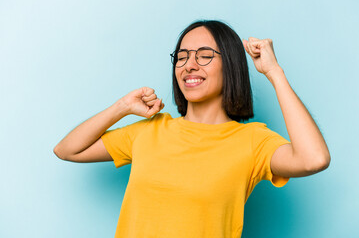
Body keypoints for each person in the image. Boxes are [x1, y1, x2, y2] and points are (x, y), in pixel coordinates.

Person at [53, 20, 330, 238]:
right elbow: (67, 150)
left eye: (205, 55)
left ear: (231, 65)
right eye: (182, 56)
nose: (189, 65)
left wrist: (274, 73)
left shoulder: (252, 141)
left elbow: (314, 159)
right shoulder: (149, 131)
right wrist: (121, 107)